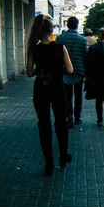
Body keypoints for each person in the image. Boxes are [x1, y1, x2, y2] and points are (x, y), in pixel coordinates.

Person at [26, 14, 74, 176]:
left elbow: (29, 72)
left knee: (44, 126)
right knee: (61, 123)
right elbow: (70, 70)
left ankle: (49, 163)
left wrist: (41, 70)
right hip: (58, 88)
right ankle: (62, 157)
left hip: (41, 89)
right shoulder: (60, 48)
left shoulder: (34, 48)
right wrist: (56, 70)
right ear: (51, 31)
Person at [56, 17, 87, 128]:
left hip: (64, 71)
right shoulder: (82, 40)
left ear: (67, 25)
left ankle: (69, 116)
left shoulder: (60, 39)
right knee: (78, 95)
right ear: (77, 25)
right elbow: (85, 56)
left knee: (67, 95)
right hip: (78, 71)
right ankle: (77, 117)